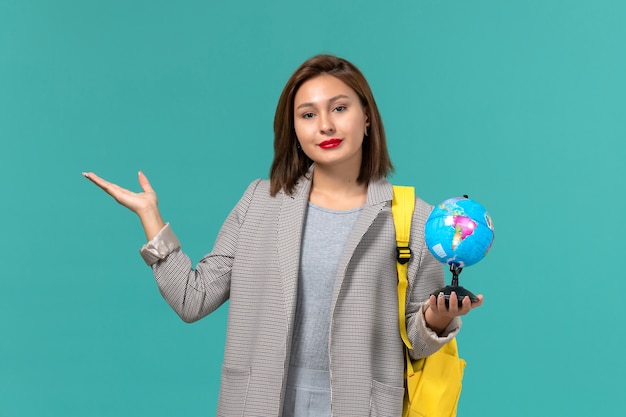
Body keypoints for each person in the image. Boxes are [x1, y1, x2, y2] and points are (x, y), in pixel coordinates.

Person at [83, 54, 483, 417]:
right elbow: (193, 298)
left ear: (366, 117)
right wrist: (151, 217)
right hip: (260, 401)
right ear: (294, 129)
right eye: (307, 115)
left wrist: (438, 318)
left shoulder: (416, 219)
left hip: (363, 404)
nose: (324, 124)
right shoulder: (260, 200)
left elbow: (417, 343)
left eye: (339, 108)